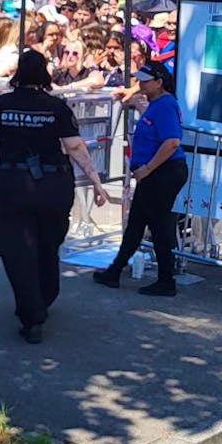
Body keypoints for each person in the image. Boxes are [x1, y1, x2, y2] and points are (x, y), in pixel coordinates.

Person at [0, 51, 108, 343]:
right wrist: (96, 182)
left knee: (16, 249)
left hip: (13, 183)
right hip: (53, 185)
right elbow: (75, 148)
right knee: (47, 245)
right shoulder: (56, 106)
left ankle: (32, 313)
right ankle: (44, 296)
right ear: (45, 74)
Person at [93, 61, 189, 295]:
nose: (141, 84)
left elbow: (172, 142)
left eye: (146, 80)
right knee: (139, 224)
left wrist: (147, 168)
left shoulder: (165, 105)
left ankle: (165, 280)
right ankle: (115, 271)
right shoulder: (157, 104)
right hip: (158, 173)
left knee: (157, 226)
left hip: (162, 173)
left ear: (159, 82)